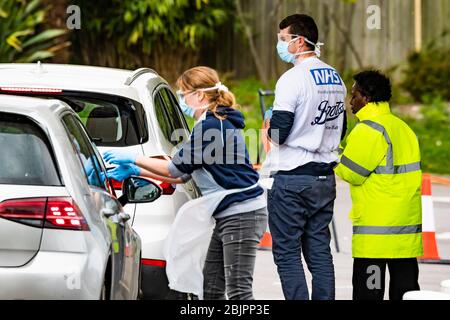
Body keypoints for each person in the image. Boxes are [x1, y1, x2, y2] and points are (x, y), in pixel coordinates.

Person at [103, 66, 268, 300]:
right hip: (231, 216)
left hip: (241, 215)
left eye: (183, 93)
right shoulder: (210, 122)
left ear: (199, 95)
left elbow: (174, 169)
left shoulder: (213, 126)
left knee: (239, 292)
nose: (182, 98)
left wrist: (133, 157)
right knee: (211, 288)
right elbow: (182, 175)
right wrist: (137, 169)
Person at [266, 14, 347, 300]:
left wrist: (268, 126)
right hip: (324, 177)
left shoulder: (292, 79)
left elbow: (279, 134)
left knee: (287, 253)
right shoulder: (335, 77)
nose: (279, 44)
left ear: (299, 41)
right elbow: (342, 126)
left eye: (283, 39)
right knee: (319, 251)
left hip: (292, 178)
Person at [334, 70, 422, 300]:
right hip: (405, 232)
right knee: (406, 293)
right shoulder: (403, 128)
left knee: (369, 293)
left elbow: (352, 173)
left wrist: (334, 158)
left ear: (367, 97)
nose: (350, 102)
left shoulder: (369, 129)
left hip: (376, 235)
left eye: (354, 96)